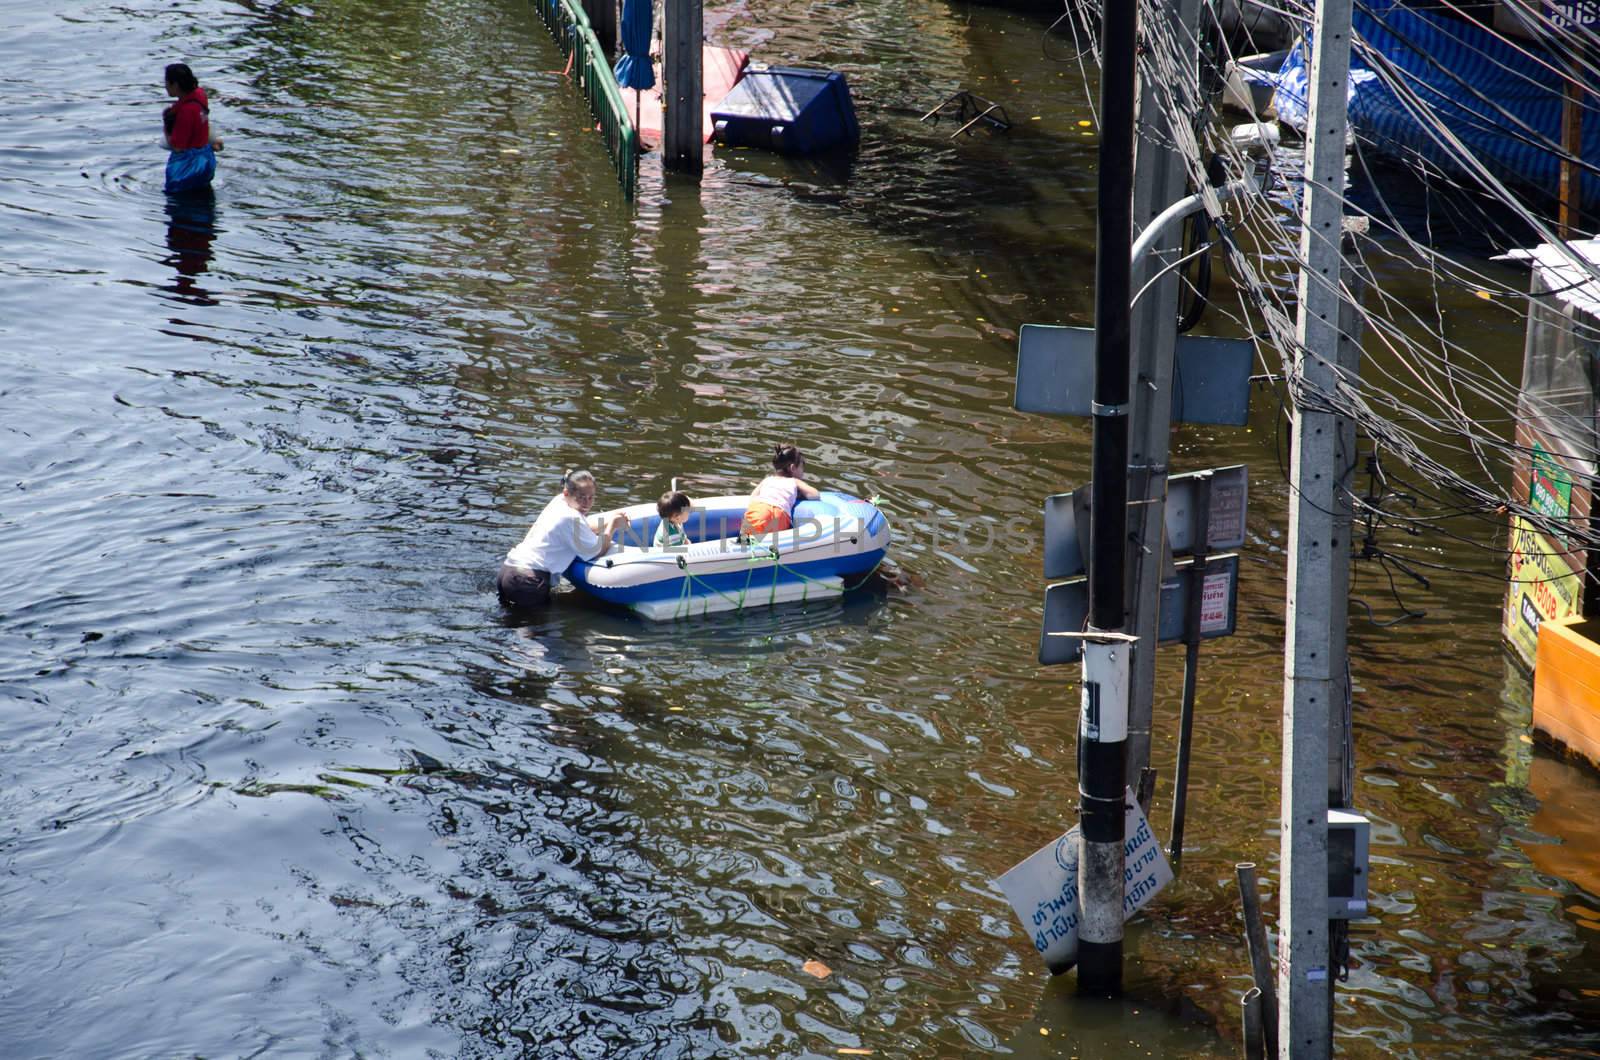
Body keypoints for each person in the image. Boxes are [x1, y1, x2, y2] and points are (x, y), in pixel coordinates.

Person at [498, 470, 630, 610]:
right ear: (567, 493)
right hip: (527, 581)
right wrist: (613, 525)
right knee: (536, 629)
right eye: (581, 497)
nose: (587, 503)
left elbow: (581, 528)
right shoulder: (571, 517)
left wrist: (609, 520)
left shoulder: (559, 501)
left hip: (508, 571)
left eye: (591, 497)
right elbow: (596, 550)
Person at [162, 63, 222, 194]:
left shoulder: (185, 112)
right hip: (207, 160)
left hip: (189, 167)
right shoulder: (200, 94)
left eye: (167, 82)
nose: (165, 86)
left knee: (181, 206)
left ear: (175, 85)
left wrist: (166, 128)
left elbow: (178, 147)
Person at [741, 443, 820, 537]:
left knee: (746, 539)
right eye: (802, 468)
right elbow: (814, 495)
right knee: (771, 541)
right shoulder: (794, 481)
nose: (803, 472)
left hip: (757, 509)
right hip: (777, 514)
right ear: (793, 468)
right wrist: (800, 494)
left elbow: (753, 497)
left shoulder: (767, 480)